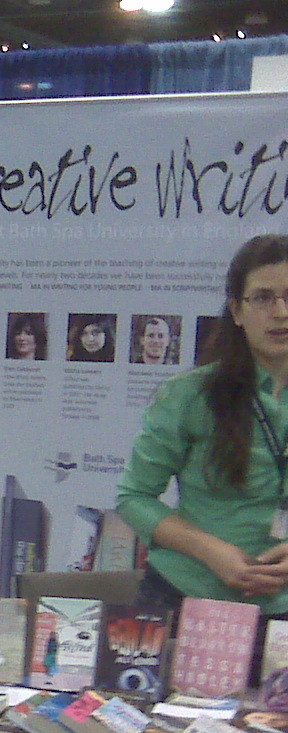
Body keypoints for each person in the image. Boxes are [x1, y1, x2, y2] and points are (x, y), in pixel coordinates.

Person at [117, 234, 288, 670]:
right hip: (188, 599)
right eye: (263, 298)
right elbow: (134, 497)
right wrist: (210, 550)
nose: (281, 312)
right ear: (237, 311)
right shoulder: (189, 395)